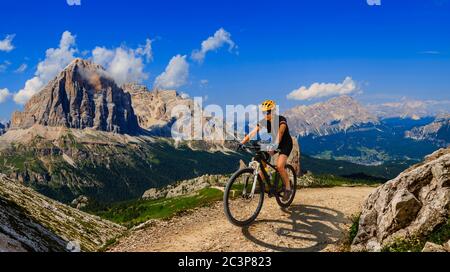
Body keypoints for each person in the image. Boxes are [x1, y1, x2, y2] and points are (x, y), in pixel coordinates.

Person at [240, 100, 294, 201]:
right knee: (261, 159)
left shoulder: (281, 120)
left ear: (273, 111)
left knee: (279, 166)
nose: (266, 114)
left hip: (285, 144)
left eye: (268, 112)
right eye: (264, 112)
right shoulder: (264, 121)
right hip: (274, 143)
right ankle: (264, 182)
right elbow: (252, 132)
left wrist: (274, 145)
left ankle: (288, 187)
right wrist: (242, 142)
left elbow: (280, 133)